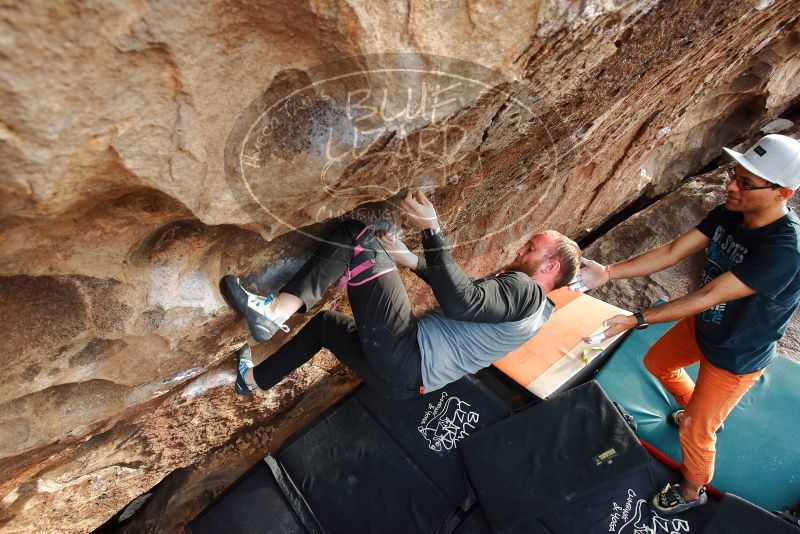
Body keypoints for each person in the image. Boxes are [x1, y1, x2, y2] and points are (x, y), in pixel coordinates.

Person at [576, 134, 800, 514]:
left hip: (737, 352)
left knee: (698, 432)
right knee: (657, 364)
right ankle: (691, 405)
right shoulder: (731, 211)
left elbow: (709, 294)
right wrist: (608, 273)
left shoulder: (785, 250)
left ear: (783, 193)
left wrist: (636, 319)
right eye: (734, 174)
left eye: (745, 183)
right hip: (704, 324)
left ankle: (692, 490)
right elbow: (673, 250)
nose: (730, 186)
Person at [221, 189, 581, 401]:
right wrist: (410, 260)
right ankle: (251, 381)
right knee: (327, 326)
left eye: (532, 249)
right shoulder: (536, 314)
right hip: (404, 385)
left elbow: (463, 300)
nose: (521, 251)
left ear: (550, 268)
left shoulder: (523, 290)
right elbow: (469, 300)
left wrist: (432, 231)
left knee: (355, 237)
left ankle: (274, 312)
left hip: (407, 353)